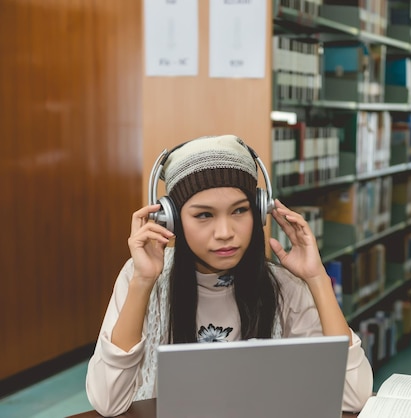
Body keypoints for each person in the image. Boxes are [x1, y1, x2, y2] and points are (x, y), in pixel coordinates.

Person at [85, 134, 373, 416]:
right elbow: (108, 402)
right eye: (204, 215)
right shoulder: (140, 278)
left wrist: (317, 278)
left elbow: (354, 395)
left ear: (259, 211)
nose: (225, 233)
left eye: (239, 211)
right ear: (171, 220)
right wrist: (143, 282)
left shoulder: (285, 286)